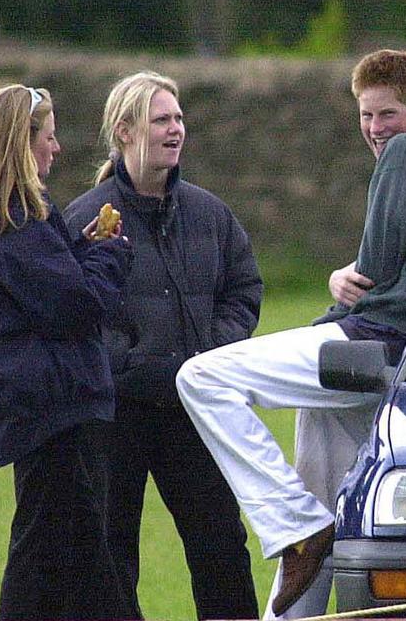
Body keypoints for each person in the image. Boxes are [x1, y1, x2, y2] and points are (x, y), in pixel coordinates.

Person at [175, 49, 406, 618]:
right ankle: (304, 552)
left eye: (387, 114)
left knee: (201, 377)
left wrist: (338, 287)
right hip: (393, 353)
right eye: (366, 116)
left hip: (370, 343)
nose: (376, 130)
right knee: (326, 492)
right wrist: (344, 283)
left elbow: (374, 270)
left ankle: (293, 527)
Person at [63, 72, 262, 619]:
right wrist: (129, 364)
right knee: (110, 557)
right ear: (124, 132)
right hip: (114, 415)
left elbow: (243, 289)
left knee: (221, 550)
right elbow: (77, 311)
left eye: (178, 119)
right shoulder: (86, 218)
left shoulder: (211, 214)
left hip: (193, 413)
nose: (175, 129)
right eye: (161, 120)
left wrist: (209, 356)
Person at [0, 84, 136, 620]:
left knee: (73, 560)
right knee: (53, 563)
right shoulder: (16, 219)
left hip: (28, 408)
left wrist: (80, 251)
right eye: (48, 138)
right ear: (19, 147)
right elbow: (78, 307)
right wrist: (110, 256)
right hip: (56, 413)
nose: (56, 150)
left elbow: (44, 295)